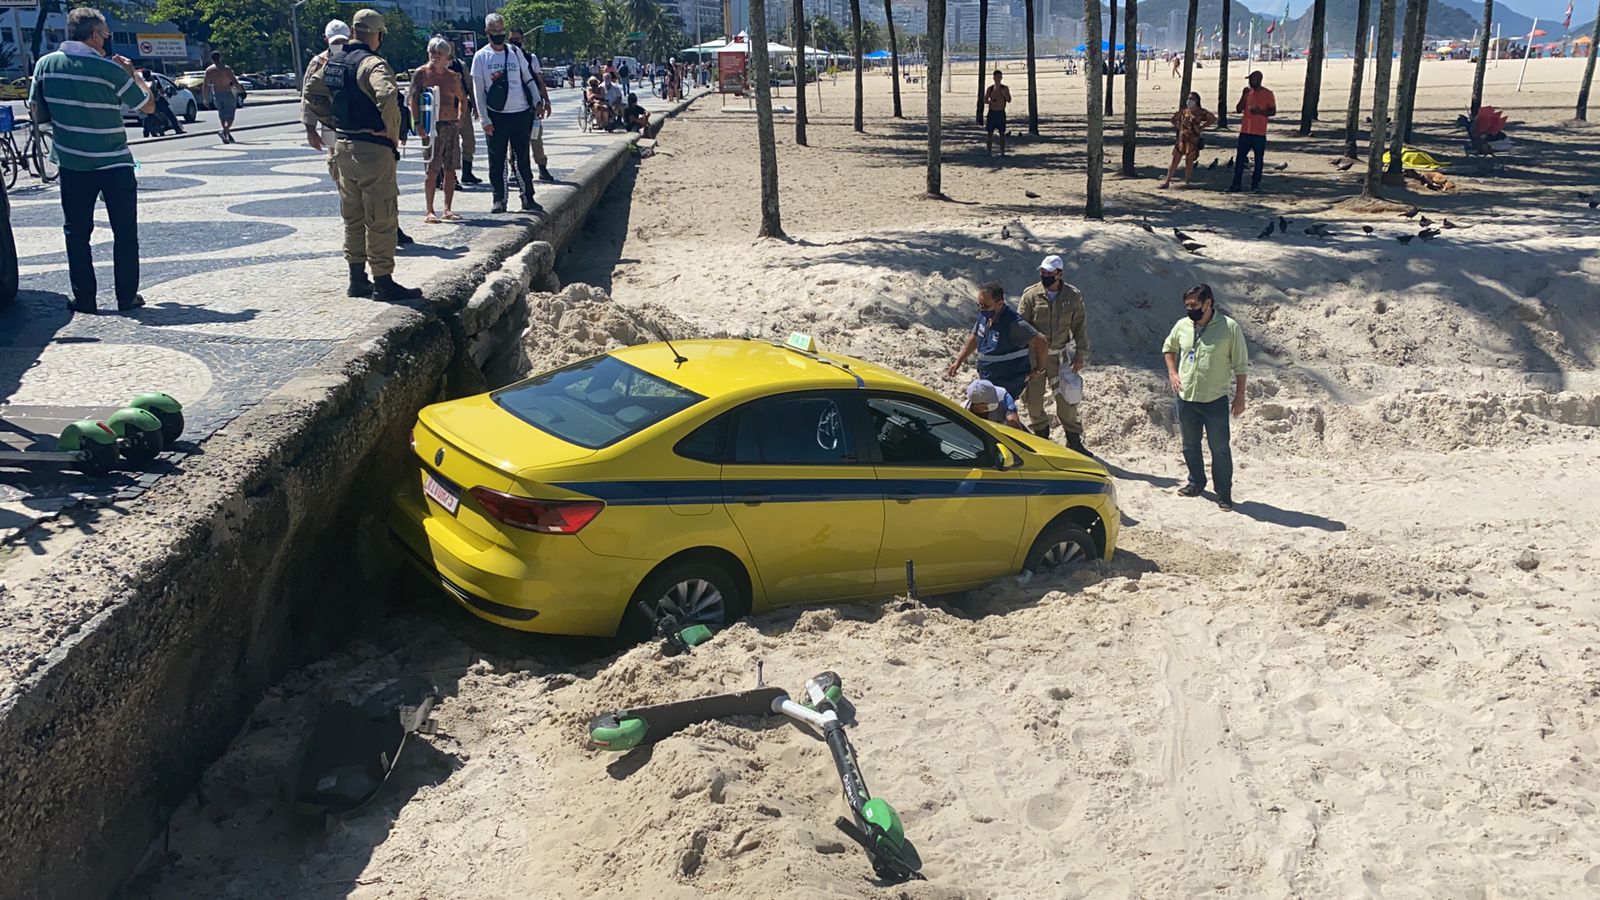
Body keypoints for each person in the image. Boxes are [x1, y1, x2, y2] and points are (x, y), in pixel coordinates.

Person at [28, 7, 154, 314]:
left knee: (76, 233)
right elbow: (147, 106)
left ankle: (85, 299)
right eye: (107, 34)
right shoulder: (108, 70)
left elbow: (36, 110)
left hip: (73, 163)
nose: (108, 40)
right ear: (95, 36)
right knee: (124, 232)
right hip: (115, 162)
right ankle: (126, 297)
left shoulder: (46, 65)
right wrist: (134, 74)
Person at [303, 8, 422, 302]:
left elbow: (310, 91)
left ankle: (357, 279)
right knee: (381, 216)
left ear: (355, 32)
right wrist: (391, 132)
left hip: (343, 147)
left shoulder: (334, 62)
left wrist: (331, 120)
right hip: (372, 148)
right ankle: (383, 281)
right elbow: (387, 96)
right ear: (377, 34)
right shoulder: (372, 64)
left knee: (353, 217)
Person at [1162, 284, 1249, 511]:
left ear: (1208, 302)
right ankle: (1196, 482)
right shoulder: (1182, 326)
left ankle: (1223, 493)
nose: (1190, 309)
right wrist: (1173, 373)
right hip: (1187, 398)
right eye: (1187, 305)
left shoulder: (1229, 328)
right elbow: (1168, 348)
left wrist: (1240, 397)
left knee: (1219, 448)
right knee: (1189, 445)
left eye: (1194, 305)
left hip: (1215, 400)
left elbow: (1240, 366)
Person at [472, 12, 547, 213]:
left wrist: (538, 100)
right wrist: (484, 119)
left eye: (501, 31)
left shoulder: (515, 52)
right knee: (497, 160)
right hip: (496, 115)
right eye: (494, 31)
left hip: (520, 113)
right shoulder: (481, 57)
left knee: (522, 157)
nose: (498, 34)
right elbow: (478, 91)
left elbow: (528, 79)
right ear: (487, 32)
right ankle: (499, 199)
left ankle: (527, 197)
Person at [1018, 255, 1091, 454]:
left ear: (1060, 274)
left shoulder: (1072, 295)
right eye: (1043, 272)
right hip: (1035, 356)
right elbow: (1020, 326)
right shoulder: (1031, 295)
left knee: (1067, 399)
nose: (1045, 276)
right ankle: (1042, 438)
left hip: (1060, 356)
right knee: (1033, 401)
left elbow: (1079, 326)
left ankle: (1073, 441)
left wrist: (1080, 354)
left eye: (1050, 273)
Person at [946, 282, 1048, 403]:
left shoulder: (1014, 323)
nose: (981, 309)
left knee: (1001, 414)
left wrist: (1039, 370)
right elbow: (975, 337)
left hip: (1007, 382)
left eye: (985, 306)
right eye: (979, 305)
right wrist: (959, 361)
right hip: (988, 377)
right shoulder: (984, 316)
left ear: (999, 304)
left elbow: (1042, 342)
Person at [411, 36, 466, 224]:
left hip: (450, 125)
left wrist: (460, 117)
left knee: (450, 169)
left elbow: (463, 98)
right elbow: (413, 99)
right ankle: (429, 210)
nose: (435, 56)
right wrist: (418, 124)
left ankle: (447, 208)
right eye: (432, 52)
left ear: (446, 56)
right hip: (432, 127)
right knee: (432, 170)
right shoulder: (421, 73)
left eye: (439, 53)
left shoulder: (453, 76)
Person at [303, 20, 351, 182]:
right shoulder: (318, 63)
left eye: (343, 41)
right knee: (336, 161)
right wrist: (310, 129)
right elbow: (309, 96)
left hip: (355, 119)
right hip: (331, 120)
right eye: (335, 42)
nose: (339, 45)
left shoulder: (358, 58)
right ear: (326, 40)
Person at [507, 31, 556, 183]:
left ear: (523, 40)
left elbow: (540, 82)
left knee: (536, 137)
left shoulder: (530, 58)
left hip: (531, 106)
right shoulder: (504, 57)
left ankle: (542, 167)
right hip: (512, 107)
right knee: (513, 140)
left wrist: (546, 102)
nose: (514, 41)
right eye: (511, 39)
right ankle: (514, 171)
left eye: (517, 39)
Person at [1228, 70, 1277, 193]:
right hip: (1245, 132)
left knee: (1258, 160)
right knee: (1240, 160)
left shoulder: (1268, 94)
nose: (1250, 82)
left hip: (1259, 133)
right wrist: (1243, 95)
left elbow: (1272, 111)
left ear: (1259, 79)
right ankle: (1236, 184)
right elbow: (1239, 109)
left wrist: (1259, 111)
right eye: (1249, 80)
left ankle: (1255, 184)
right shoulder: (1247, 93)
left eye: (1252, 80)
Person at [1160, 92, 1217, 190]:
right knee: (1175, 160)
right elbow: (1173, 119)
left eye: (1192, 99)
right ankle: (1167, 181)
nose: (1189, 101)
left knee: (1189, 161)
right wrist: (1180, 127)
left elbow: (1212, 118)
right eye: (1189, 98)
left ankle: (1187, 181)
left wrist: (1202, 127)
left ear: (1197, 101)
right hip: (1182, 139)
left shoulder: (1201, 112)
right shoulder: (1184, 111)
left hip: (1193, 139)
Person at [447, 53, 482, 185]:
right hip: (445, 112)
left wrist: (476, 106)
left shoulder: (460, 65)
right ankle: (451, 177)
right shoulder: (432, 68)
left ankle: (467, 172)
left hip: (462, 107)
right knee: (451, 144)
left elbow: (470, 86)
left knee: (469, 140)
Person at [203, 50, 242, 143]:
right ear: (220, 57)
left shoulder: (209, 71)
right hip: (227, 92)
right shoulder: (226, 69)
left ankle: (226, 134)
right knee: (230, 115)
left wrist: (205, 98)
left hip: (217, 94)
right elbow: (234, 81)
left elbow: (205, 85)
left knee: (222, 115)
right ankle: (225, 130)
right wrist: (241, 90)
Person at [984, 69, 1011, 156]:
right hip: (992, 113)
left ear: (1001, 77)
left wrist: (1004, 94)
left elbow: (1009, 100)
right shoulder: (990, 88)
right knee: (990, 134)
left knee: (1002, 133)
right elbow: (985, 100)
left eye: (999, 77)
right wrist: (991, 102)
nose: (998, 79)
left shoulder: (1005, 88)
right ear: (993, 78)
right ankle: (989, 152)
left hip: (1001, 113)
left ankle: (1002, 152)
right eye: (996, 77)